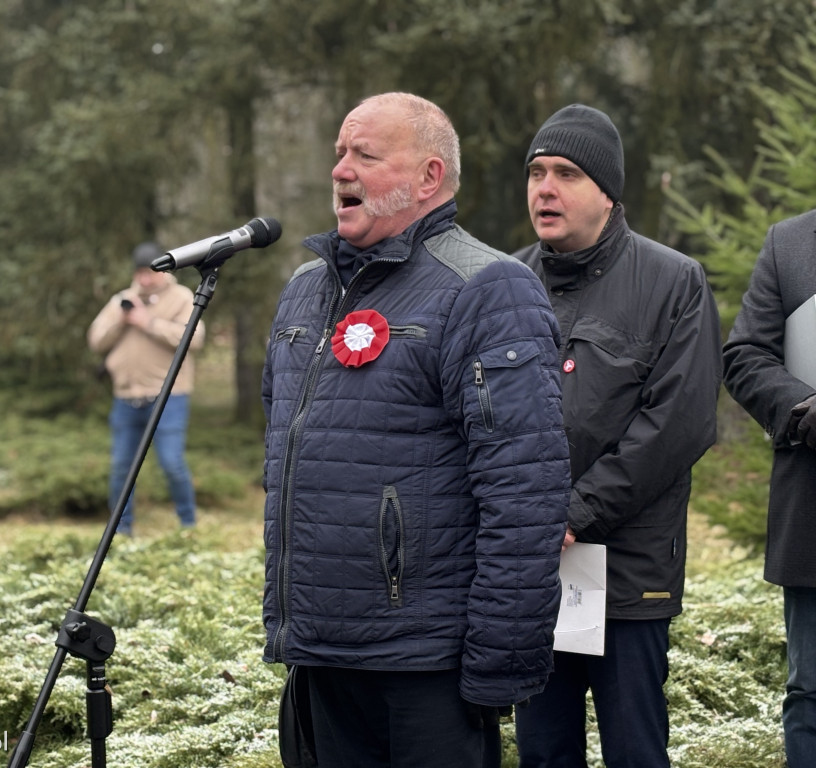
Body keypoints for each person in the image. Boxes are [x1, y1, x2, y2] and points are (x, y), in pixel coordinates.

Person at [261, 91, 571, 768]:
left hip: (425, 666)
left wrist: (498, 665)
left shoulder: (488, 288)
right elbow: (283, 452)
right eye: (339, 153)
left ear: (429, 177)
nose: (341, 170)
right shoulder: (306, 290)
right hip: (319, 655)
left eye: (365, 155)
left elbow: (525, 495)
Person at [511, 104, 722, 768]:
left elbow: (679, 424)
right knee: (544, 751)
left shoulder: (673, 281)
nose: (545, 188)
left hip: (628, 572)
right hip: (532, 569)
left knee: (635, 750)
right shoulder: (505, 283)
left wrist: (575, 512)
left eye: (566, 173)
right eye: (536, 172)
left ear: (607, 192)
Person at [722, 208, 816, 768]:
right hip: (813, 514)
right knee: (812, 695)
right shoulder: (791, 243)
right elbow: (745, 356)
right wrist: (804, 409)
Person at [87, 241, 203, 534]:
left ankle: (188, 526)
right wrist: (123, 319)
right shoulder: (122, 300)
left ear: (164, 270)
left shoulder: (181, 297)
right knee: (121, 468)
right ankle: (121, 530)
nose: (145, 279)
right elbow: (96, 340)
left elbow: (193, 338)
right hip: (126, 398)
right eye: (139, 273)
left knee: (172, 463)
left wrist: (147, 322)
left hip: (169, 397)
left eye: (150, 272)